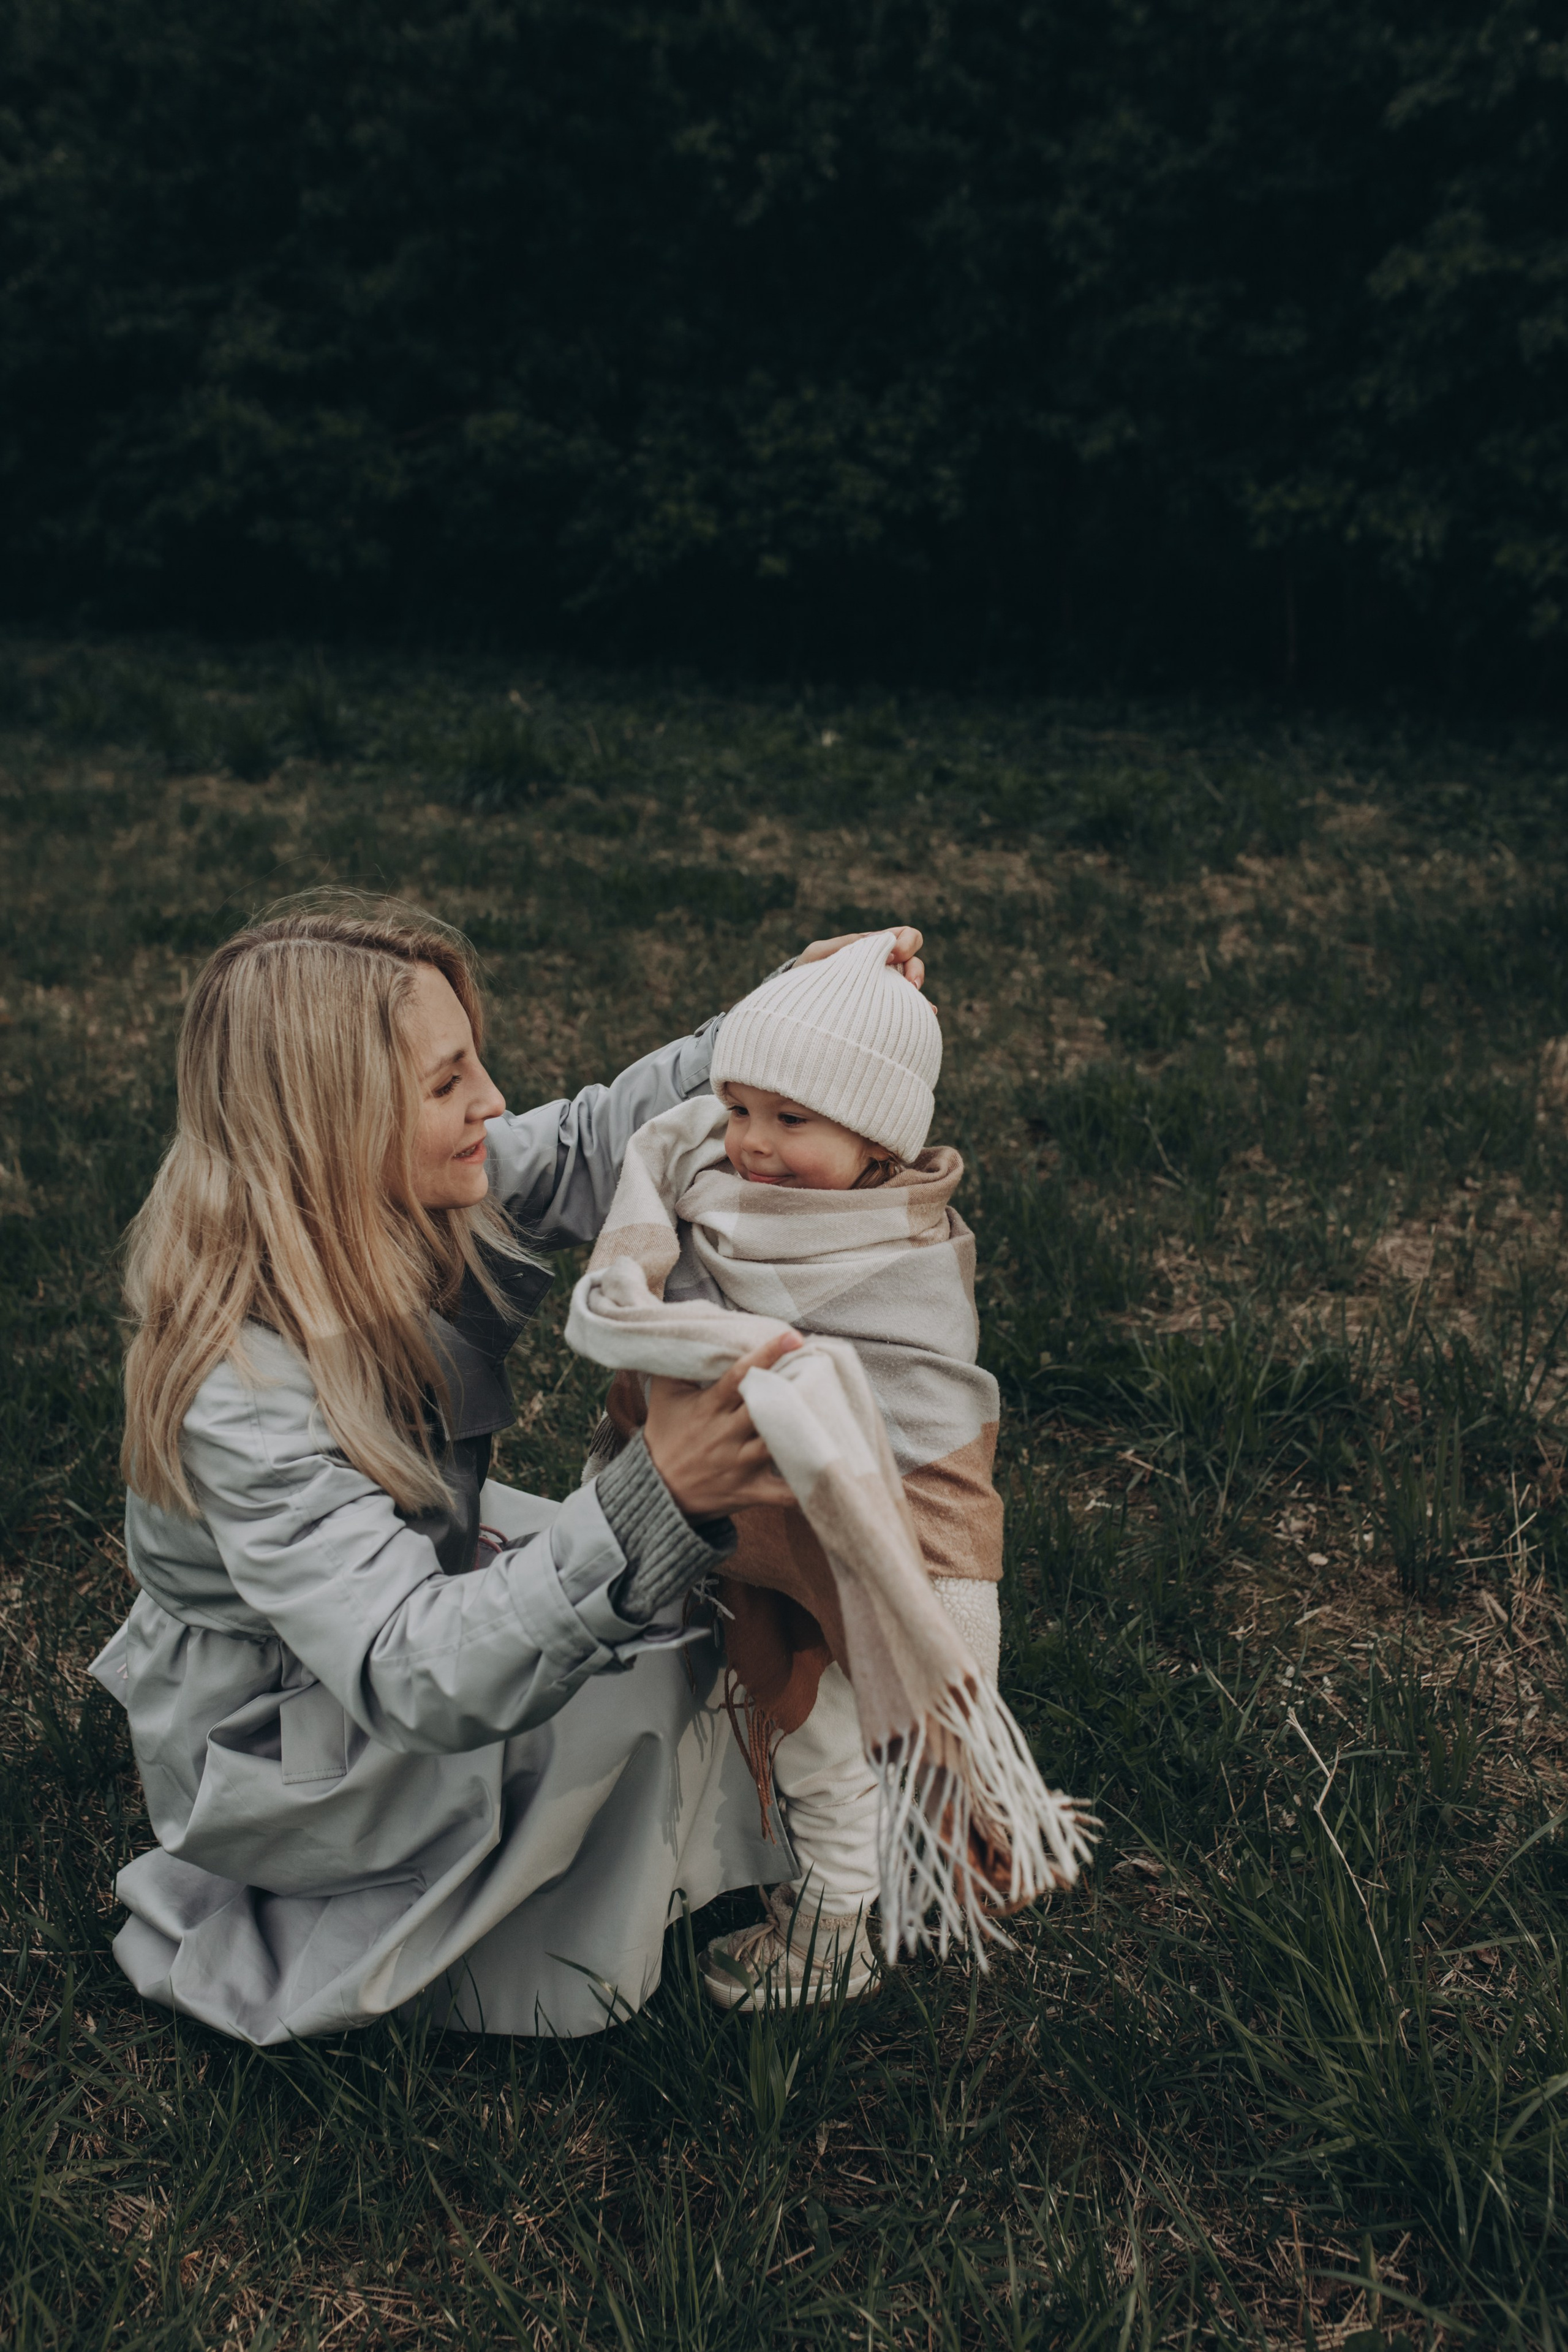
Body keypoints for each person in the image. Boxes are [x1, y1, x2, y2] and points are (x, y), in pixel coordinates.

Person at [89, 897, 925, 2044]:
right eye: (447, 1083)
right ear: (330, 1125)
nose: (490, 1099)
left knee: (693, 1602)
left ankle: (781, 1839)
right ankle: (494, 1915)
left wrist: (777, 1021)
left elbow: (590, 1145)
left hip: (406, 1573)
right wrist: (651, 1496)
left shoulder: (403, 1195)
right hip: (295, 1729)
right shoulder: (243, 1386)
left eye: (474, 1060)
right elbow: (405, 1667)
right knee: (626, 1670)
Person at [572, 932, 1007, 2010]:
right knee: (767, 1714)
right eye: (740, 1109)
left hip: (860, 1549)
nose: (751, 1145)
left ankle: (832, 1933)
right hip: (761, 1520)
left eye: (792, 1120)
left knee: (822, 1747)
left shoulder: (891, 1262)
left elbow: (928, 1425)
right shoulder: (734, 1185)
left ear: (878, 1143)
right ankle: (768, 1869)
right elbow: (671, 1146)